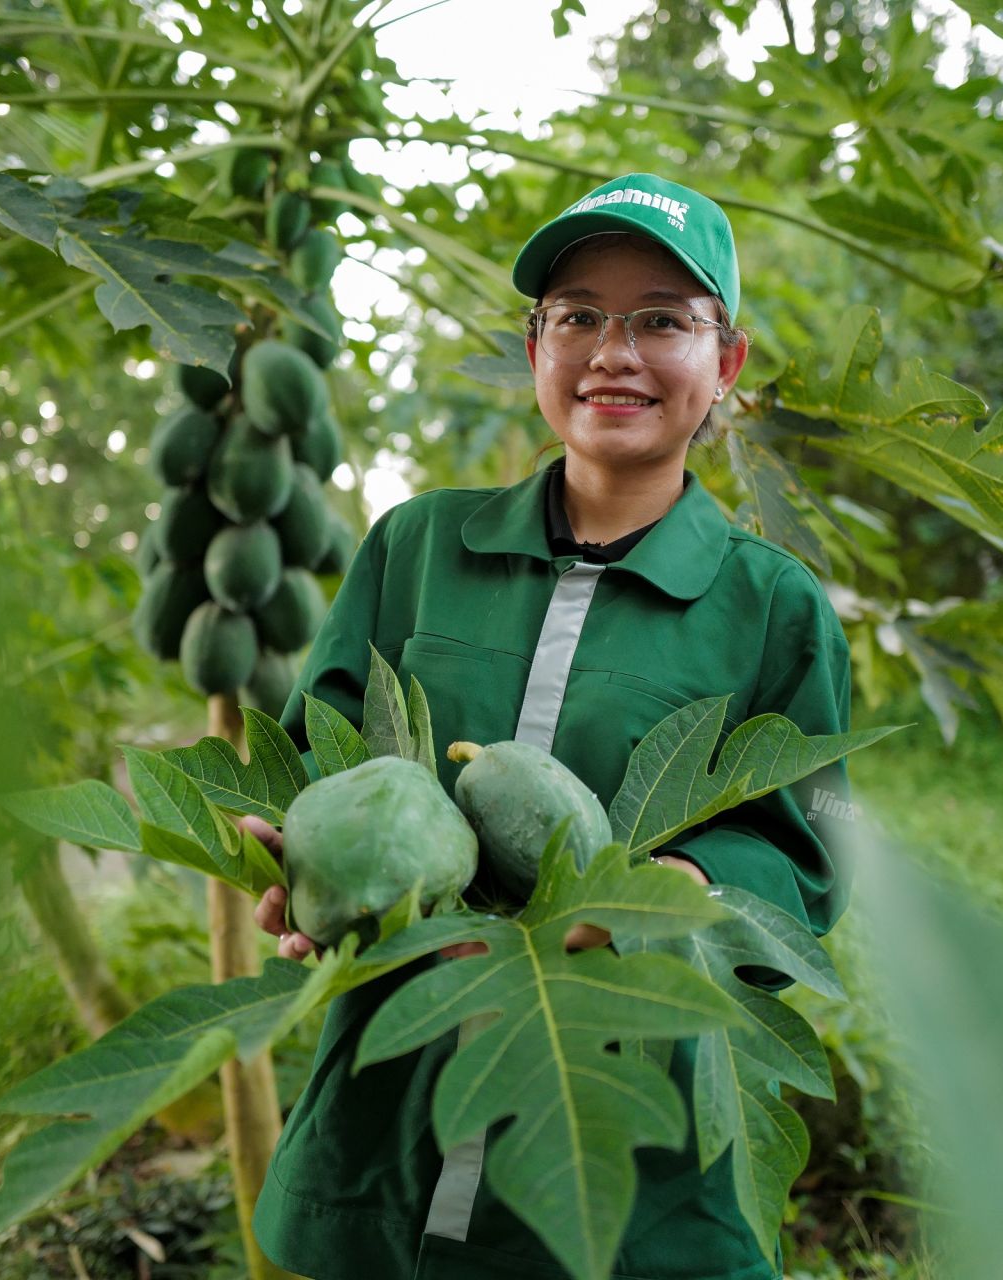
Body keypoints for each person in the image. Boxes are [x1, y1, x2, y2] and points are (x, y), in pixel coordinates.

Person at [240, 172, 855, 1280]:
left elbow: (810, 853)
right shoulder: (413, 549)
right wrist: (301, 857)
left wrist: (671, 895)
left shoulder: (774, 606)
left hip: (635, 1153)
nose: (612, 351)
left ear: (726, 362)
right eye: (577, 316)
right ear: (536, 350)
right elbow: (315, 755)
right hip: (390, 1120)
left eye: (661, 319)